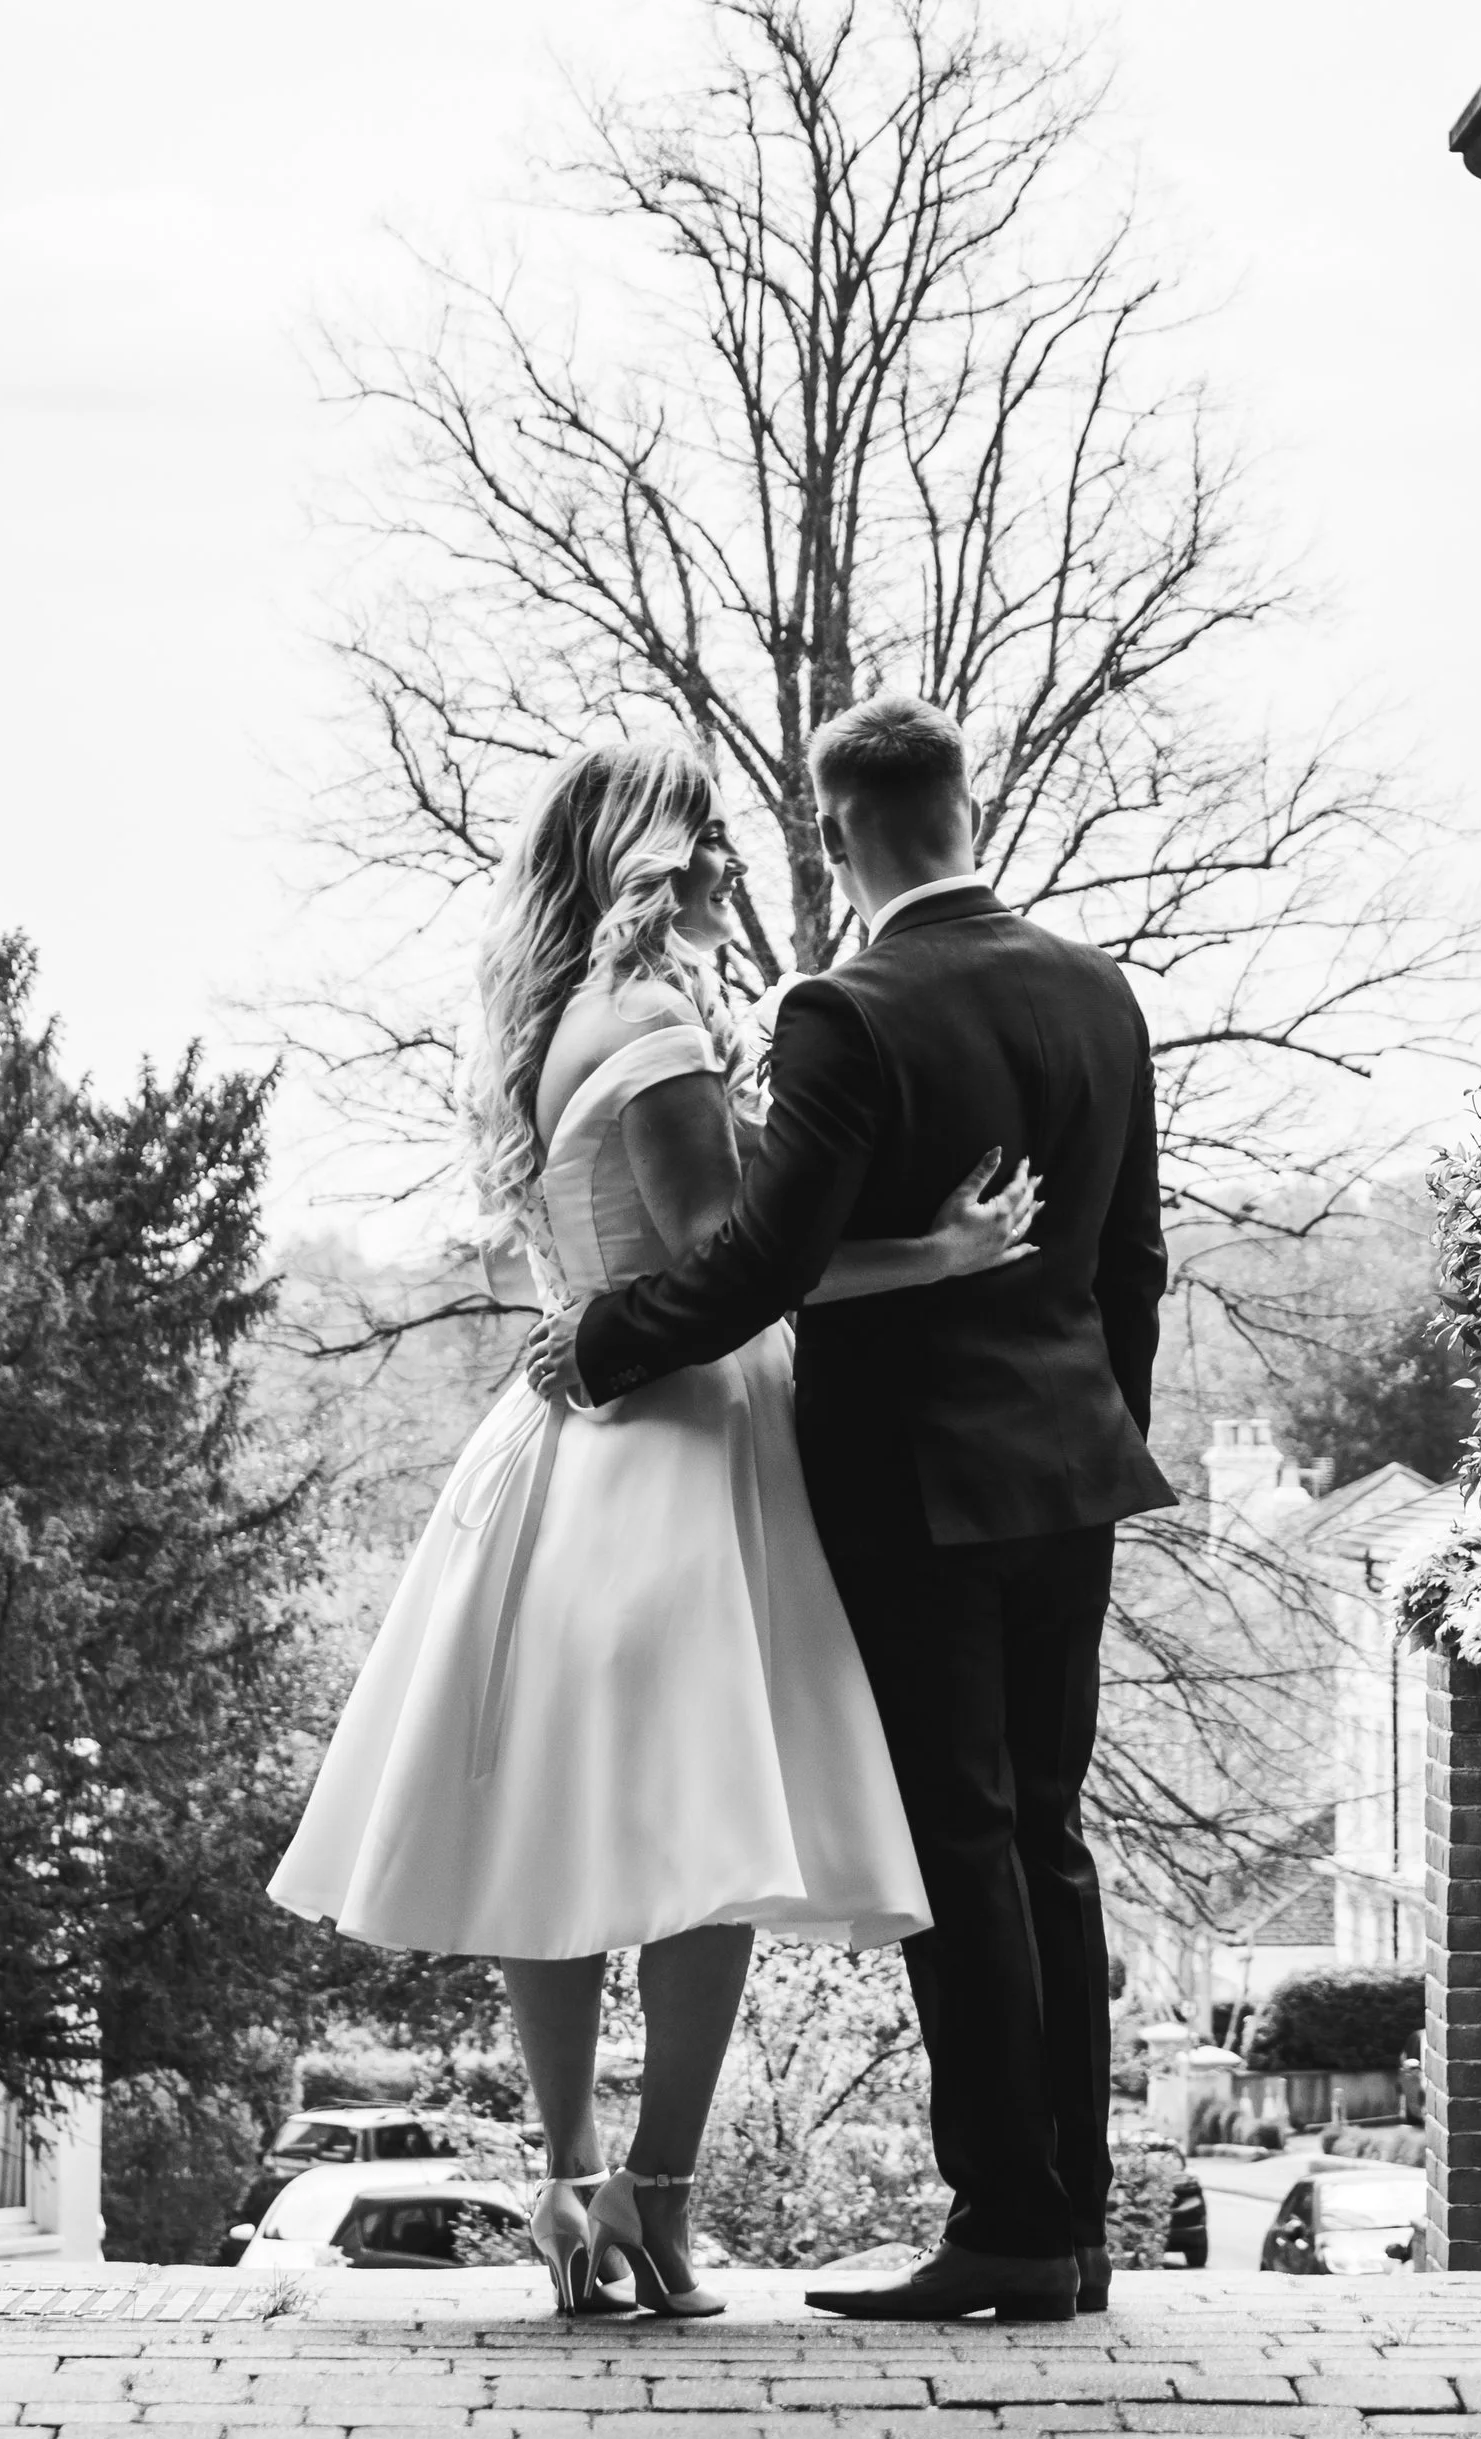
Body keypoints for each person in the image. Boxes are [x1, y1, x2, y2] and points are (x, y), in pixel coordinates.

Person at [266, 734, 1035, 2320]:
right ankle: (660, 2200)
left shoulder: (551, 1024)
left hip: (557, 1446)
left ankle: (564, 2181)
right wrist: (942, 1253)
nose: (726, 870)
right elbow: (735, 1257)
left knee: (556, 1824)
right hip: (684, 1442)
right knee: (698, 1839)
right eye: (701, 846)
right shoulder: (660, 1026)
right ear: (644, 860)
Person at [529, 697, 1173, 2325]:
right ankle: (1074, 2219)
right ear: (966, 798)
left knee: (960, 1845)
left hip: (920, 1494)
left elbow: (761, 1260)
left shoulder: (847, 1009)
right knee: (1050, 1835)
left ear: (838, 832)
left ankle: (1009, 2220)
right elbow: (1134, 1269)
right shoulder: (1100, 993)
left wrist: (600, 1339)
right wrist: (1102, 1438)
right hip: (1072, 1480)